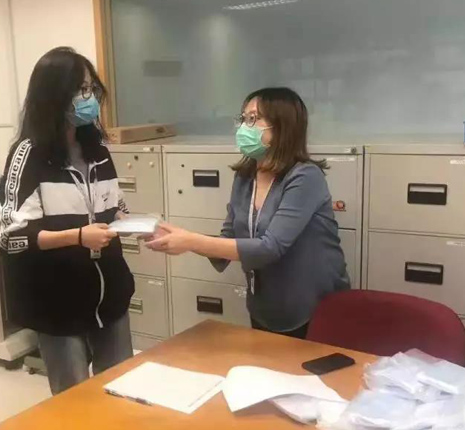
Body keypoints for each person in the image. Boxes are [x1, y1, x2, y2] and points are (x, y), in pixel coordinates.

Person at [147, 87, 349, 338]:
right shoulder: (245, 178)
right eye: (242, 119)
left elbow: (270, 247)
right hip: (265, 306)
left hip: (313, 310)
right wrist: (175, 236)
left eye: (253, 119)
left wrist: (190, 241)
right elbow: (227, 241)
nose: (244, 127)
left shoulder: (305, 177)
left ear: (282, 127)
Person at [0, 46, 134, 395]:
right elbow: (12, 236)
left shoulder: (97, 149)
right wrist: (78, 237)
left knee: (119, 390)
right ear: (55, 94)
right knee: (74, 399)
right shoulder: (28, 154)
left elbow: (115, 206)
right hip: (58, 301)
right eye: (81, 89)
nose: (90, 98)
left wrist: (135, 224)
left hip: (110, 293)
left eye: (92, 89)